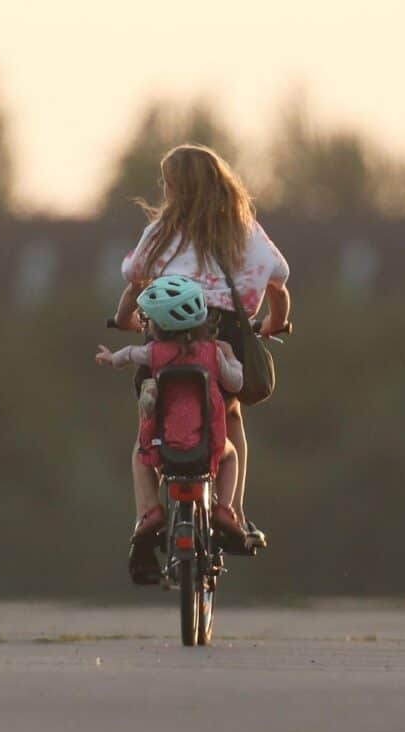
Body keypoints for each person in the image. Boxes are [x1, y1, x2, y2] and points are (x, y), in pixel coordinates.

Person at [111, 143, 292, 550]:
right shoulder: (244, 230)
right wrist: (274, 324)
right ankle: (233, 511)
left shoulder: (160, 233)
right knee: (231, 416)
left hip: (163, 341)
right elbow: (279, 285)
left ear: (175, 188)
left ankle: (147, 512)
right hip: (224, 337)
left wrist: (127, 320)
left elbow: (133, 279)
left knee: (149, 428)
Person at [96, 275, 245, 584]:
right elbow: (236, 383)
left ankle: (150, 511)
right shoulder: (214, 354)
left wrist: (110, 359)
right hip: (208, 445)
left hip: (163, 446)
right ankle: (225, 508)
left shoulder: (155, 353)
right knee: (231, 456)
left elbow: (127, 355)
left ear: (157, 326)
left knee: (139, 456)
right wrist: (232, 357)